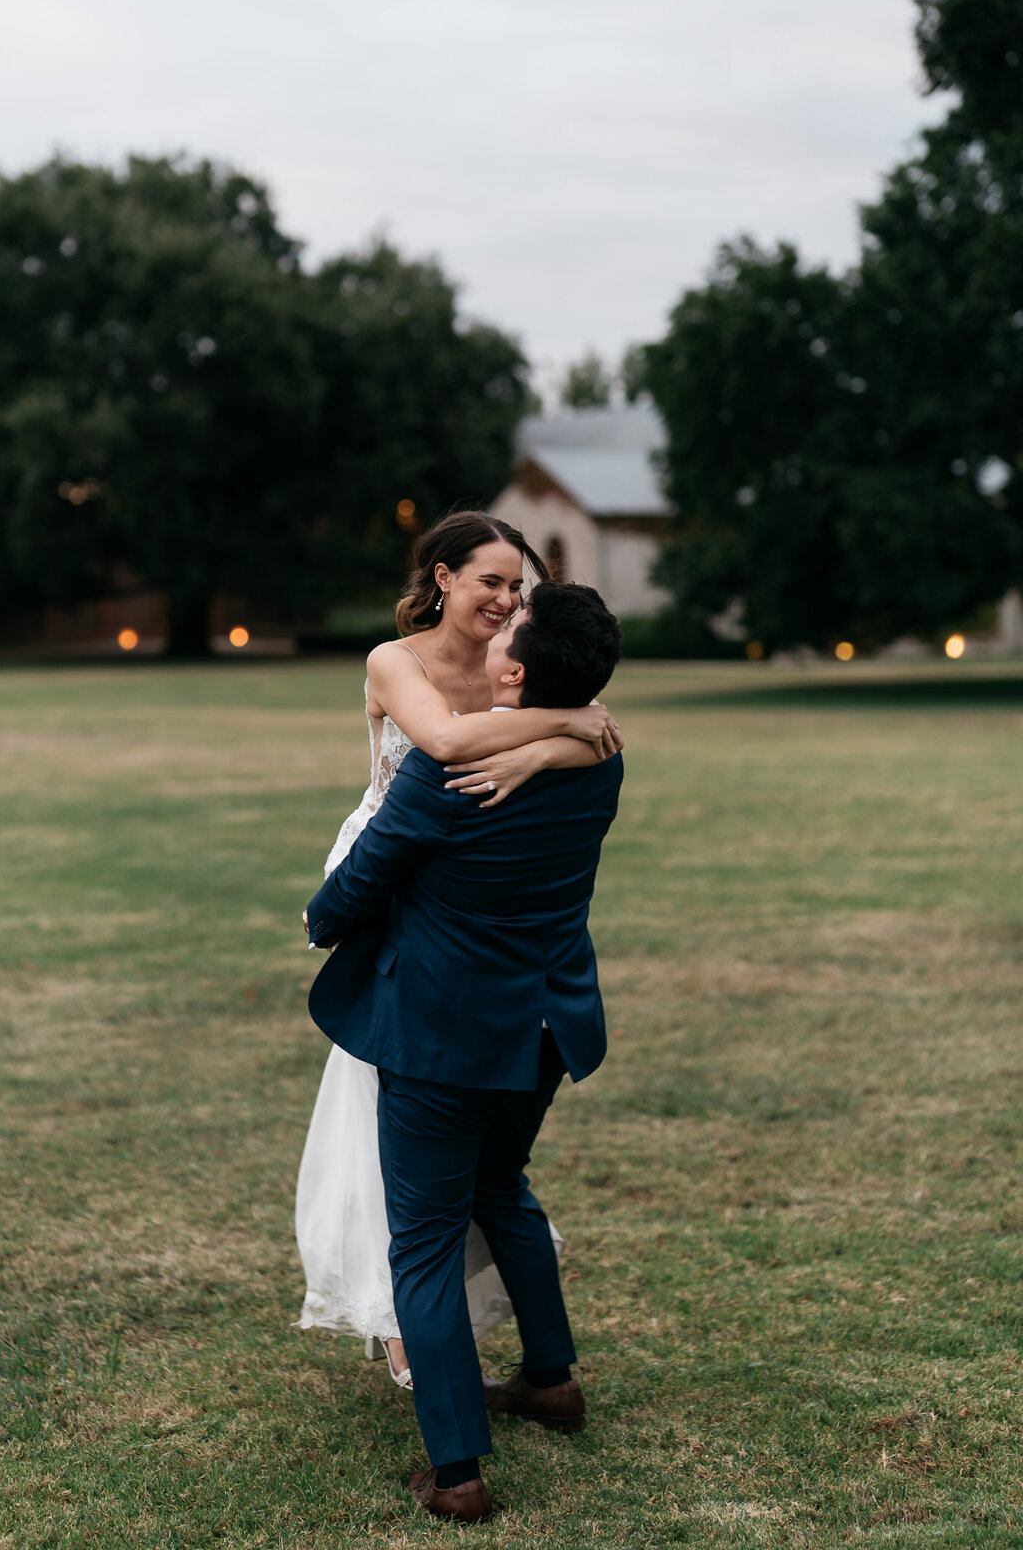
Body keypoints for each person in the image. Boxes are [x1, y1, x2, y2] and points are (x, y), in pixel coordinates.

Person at [304, 581, 623, 1522]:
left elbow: (354, 890)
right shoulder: (597, 758)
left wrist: (319, 919)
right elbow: (582, 732)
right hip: (547, 1028)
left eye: (508, 624)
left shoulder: (443, 776)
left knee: (427, 1243)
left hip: (444, 1038)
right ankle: (553, 1380)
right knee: (502, 1188)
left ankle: (456, 1473)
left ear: (514, 669)